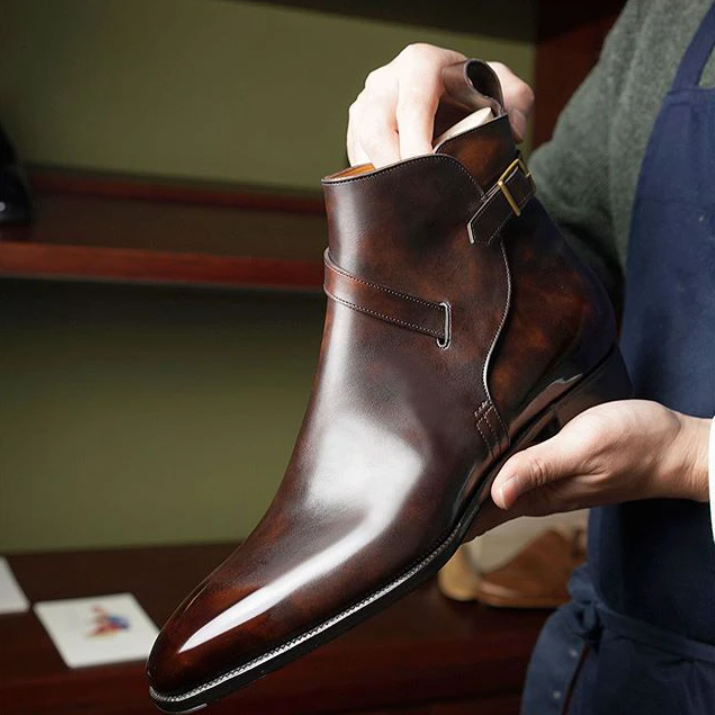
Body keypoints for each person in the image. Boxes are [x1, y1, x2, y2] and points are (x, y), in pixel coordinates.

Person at [346, 0, 715, 712]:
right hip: (629, 661)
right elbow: (561, 266)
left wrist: (693, 459)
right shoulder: (666, 14)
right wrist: (459, 167)